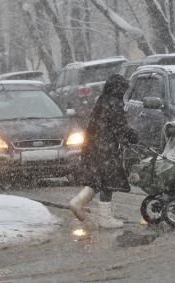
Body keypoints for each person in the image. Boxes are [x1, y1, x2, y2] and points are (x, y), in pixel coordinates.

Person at [69, 74, 138, 229]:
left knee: (98, 179)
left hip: (94, 146)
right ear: (119, 89)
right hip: (106, 149)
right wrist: (132, 136)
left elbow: (105, 126)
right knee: (108, 181)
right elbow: (119, 126)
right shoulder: (114, 103)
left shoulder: (102, 101)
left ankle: (78, 202)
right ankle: (105, 218)